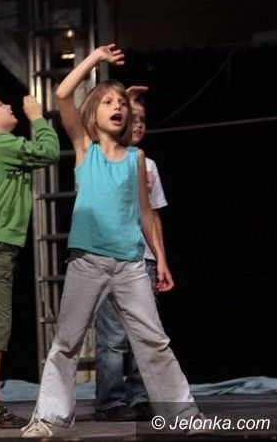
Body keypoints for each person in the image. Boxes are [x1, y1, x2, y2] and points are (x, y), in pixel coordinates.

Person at [21, 44, 200, 437]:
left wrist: (161, 259)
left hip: (131, 264)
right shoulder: (85, 149)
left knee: (154, 341)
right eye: (107, 102)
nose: (117, 106)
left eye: (121, 102)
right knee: (67, 341)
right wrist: (96, 59)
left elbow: (145, 213)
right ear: (93, 113)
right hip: (87, 261)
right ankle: (48, 418)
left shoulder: (137, 157)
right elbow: (63, 93)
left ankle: (185, 415)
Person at [0, 94, 59, 429]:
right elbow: (49, 152)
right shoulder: (2, 143)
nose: (9, 107)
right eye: (1, 105)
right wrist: (37, 118)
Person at [93, 86, 170, 422]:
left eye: (142, 119)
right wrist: (122, 95)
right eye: (131, 117)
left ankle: (141, 396)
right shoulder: (101, 154)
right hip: (110, 255)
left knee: (145, 332)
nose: (137, 124)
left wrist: (161, 258)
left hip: (144, 258)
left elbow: (152, 215)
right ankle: (111, 400)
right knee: (113, 334)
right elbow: (94, 117)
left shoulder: (147, 163)